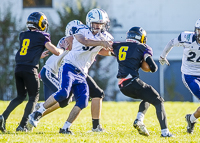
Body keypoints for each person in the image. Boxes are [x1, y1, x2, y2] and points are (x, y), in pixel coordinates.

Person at [28, 8, 113, 135]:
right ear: (89, 22)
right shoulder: (81, 31)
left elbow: (102, 49)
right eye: (95, 23)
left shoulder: (105, 36)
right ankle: (37, 113)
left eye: (100, 24)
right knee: (63, 94)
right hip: (69, 67)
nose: (97, 26)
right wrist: (102, 42)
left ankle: (65, 128)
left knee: (83, 101)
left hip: (82, 73)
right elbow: (85, 41)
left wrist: (114, 51)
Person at [0, 12, 67, 132]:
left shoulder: (23, 34)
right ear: (41, 24)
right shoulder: (42, 36)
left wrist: (37, 55)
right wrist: (62, 49)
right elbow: (55, 51)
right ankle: (22, 126)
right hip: (30, 69)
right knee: (33, 97)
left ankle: (3, 116)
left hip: (18, 68)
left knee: (20, 96)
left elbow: (28, 49)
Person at [112, 26, 174, 137]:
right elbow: (153, 67)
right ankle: (165, 132)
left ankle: (139, 121)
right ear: (141, 37)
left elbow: (107, 51)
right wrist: (144, 63)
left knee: (148, 97)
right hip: (132, 81)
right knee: (158, 100)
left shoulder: (118, 45)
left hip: (122, 85)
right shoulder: (142, 47)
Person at [159, 18, 200, 134]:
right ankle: (191, 120)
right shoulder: (187, 37)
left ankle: (191, 119)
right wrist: (163, 56)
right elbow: (172, 42)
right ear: (195, 31)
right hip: (190, 75)